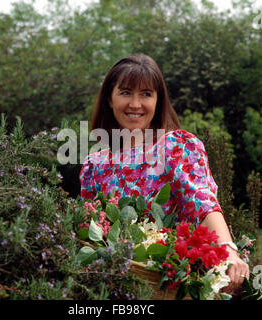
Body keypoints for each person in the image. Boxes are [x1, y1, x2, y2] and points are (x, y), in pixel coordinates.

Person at [79, 53, 249, 294]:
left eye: (146, 94)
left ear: (158, 100)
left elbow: (202, 204)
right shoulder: (93, 166)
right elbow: (91, 235)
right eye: (126, 92)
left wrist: (229, 251)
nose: (135, 104)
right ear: (109, 98)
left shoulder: (177, 146)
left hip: (172, 288)